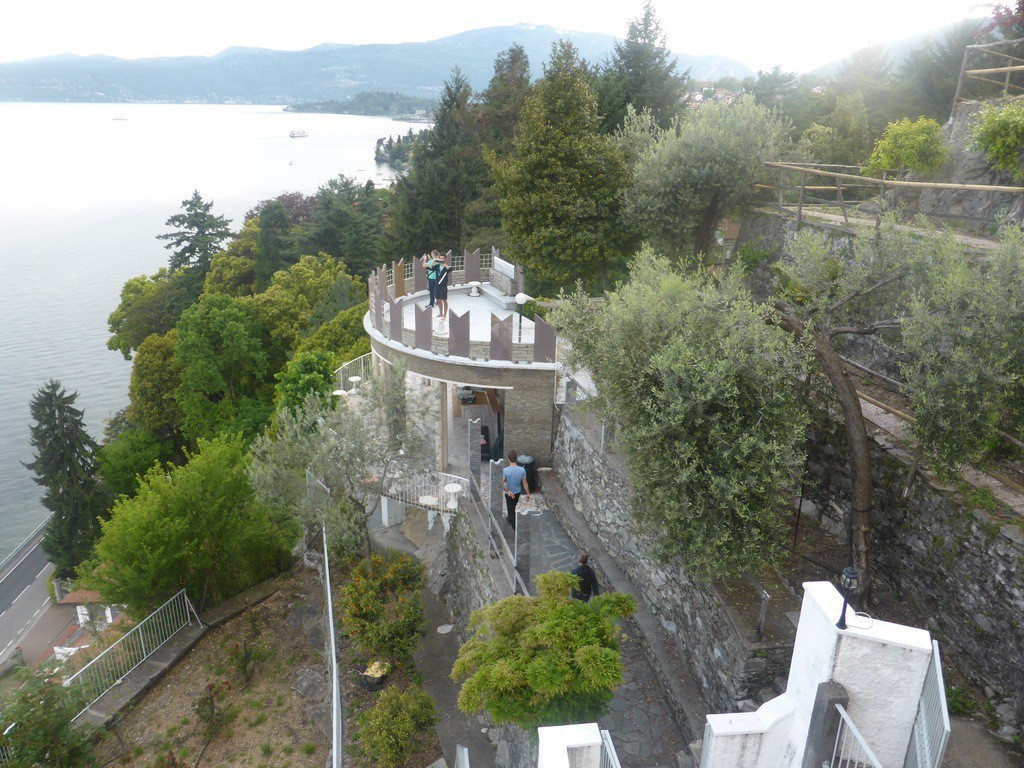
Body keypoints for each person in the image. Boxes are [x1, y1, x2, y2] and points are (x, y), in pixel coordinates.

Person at [502, 450, 530, 528]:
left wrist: (508, 491)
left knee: (511, 509)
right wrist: (528, 494)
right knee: (512, 507)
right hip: (517, 492)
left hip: (509, 494)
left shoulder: (505, 470)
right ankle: (509, 518)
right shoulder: (522, 470)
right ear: (516, 459)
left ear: (508, 459)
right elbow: (525, 483)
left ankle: (514, 526)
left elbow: (501, 483)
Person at [436, 252, 451, 320]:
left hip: (443, 286)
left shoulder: (447, 267)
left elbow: (450, 269)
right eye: (440, 258)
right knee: (438, 300)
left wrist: (443, 264)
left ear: (445, 259)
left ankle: (444, 315)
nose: (441, 259)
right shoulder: (437, 266)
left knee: (444, 300)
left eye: (442, 258)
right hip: (437, 285)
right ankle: (440, 313)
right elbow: (430, 267)